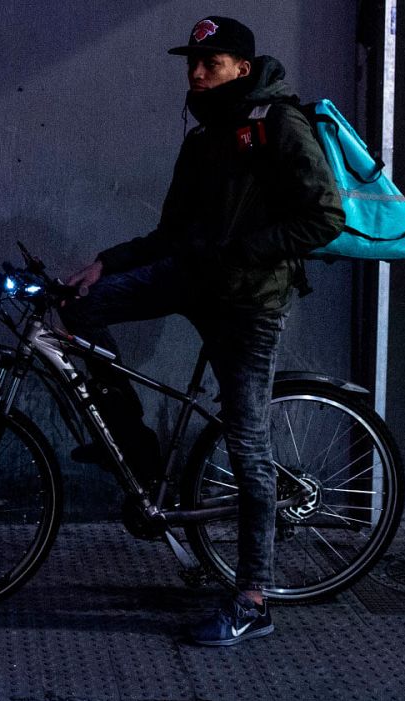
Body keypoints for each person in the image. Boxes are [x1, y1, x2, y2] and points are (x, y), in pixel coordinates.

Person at [62, 16, 344, 647]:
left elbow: (324, 217)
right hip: (193, 279)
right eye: (192, 61)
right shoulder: (202, 139)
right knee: (81, 310)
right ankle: (133, 444)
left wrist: (243, 251)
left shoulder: (277, 124)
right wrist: (109, 260)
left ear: (242, 68)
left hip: (248, 304)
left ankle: (253, 598)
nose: (195, 72)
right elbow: (170, 232)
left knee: (247, 447)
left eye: (209, 62)